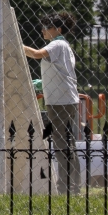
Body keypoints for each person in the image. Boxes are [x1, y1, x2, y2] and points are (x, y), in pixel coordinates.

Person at [24, 11, 82, 194]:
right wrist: (40, 83)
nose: (42, 30)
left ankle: (66, 188)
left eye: (46, 27)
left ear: (57, 29)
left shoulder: (57, 44)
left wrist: (14, 43)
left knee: (62, 145)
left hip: (61, 102)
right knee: (66, 144)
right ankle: (73, 187)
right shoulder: (62, 46)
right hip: (63, 100)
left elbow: (36, 54)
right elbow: (59, 73)